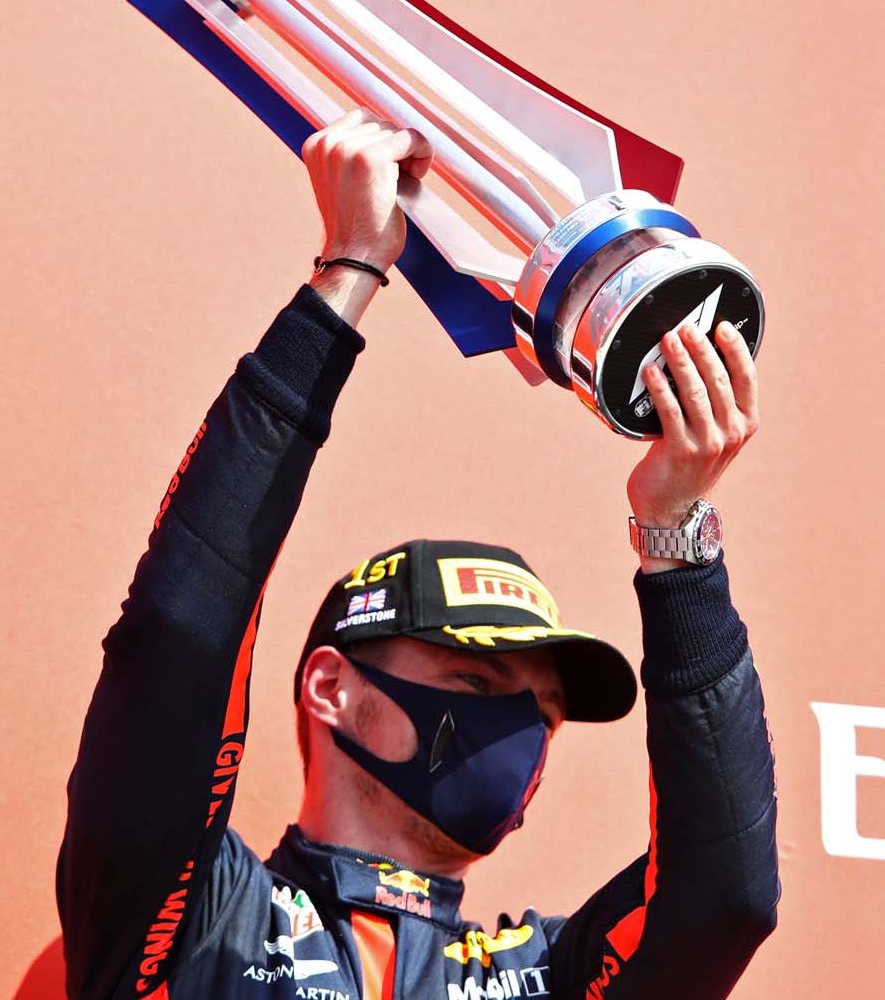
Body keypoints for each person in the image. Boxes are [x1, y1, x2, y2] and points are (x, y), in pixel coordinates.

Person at [57, 109, 778, 1000]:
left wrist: (677, 535)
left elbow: (727, 899)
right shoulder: (202, 920)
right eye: (476, 684)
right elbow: (177, 639)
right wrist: (348, 273)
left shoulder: (542, 980)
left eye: (544, 712)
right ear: (331, 687)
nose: (519, 733)